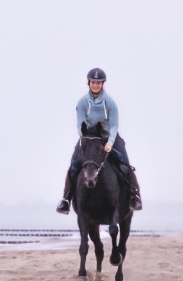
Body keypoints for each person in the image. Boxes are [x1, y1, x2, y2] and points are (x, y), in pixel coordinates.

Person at [56, 68, 143, 214]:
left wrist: (109, 143)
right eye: (93, 82)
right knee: (73, 166)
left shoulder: (110, 103)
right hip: (89, 137)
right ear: (88, 83)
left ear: (103, 84)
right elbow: (80, 124)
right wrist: (85, 139)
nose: (95, 85)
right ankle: (66, 200)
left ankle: (135, 196)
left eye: (98, 82)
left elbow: (114, 125)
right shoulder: (82, 102)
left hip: (109, 137)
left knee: (125, 164)